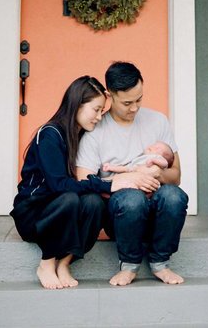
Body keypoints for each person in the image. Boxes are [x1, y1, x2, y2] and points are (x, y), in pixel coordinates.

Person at [11, 75, 159, 290]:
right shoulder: (50, 135)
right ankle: (47, 262)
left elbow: (84, 185)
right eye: (96, 109)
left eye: (102, 111)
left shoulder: (80, 135)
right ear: (77, 104)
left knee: (93, 203)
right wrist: (111, 184)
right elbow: (58, 186)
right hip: (34, 214)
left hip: (62, 210)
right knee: (70, 198)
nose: (100, 117)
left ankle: (64, 263)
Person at [76, 61, 189, 286]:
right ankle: (129, 265)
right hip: (120, 214)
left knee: (175, 196)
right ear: (110, 96)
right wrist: (127, 179)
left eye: (139, 100)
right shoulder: (95, 131)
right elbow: (83, 180)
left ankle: (160, 263)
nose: (135, 108)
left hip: (157, 208)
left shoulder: (158, 121)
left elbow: (176, 176)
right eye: (127, 103)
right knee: (132, 198)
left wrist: (157, 175)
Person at [101, 141, 175, 179]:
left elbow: (165, 163)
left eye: (158, 148)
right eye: (154, 144)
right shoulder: (140, 159)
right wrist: (111, 167)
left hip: (147, 183)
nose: (153, 147)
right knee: (124, 170)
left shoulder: (157, 158)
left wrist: (154, 160)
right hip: (132, 174)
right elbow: (126, 168)